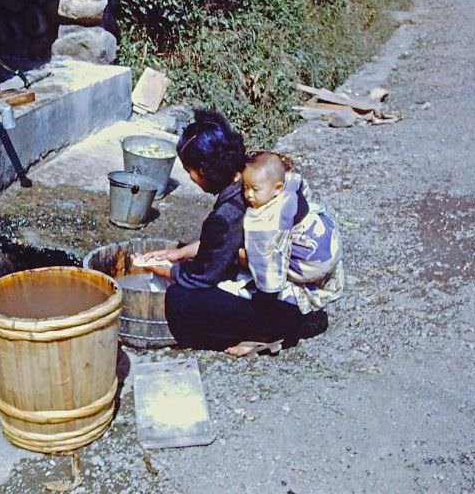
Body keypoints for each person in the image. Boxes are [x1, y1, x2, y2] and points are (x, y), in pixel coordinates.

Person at [137, 110, 333, 357]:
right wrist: (177, 253)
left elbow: (200, 277)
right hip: (306, 285)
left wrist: (162, 267)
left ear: (204, 169)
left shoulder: (228, 213)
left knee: (180, 298)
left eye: (190, 171)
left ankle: (270, 332)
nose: (191, 178)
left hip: (287, 306)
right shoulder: (255, 179)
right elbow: (222, 245)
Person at [241, 151, 344, 323]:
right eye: (245, 188)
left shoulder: (267, 223)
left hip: (310, 265)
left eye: (255, 189)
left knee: (249, 262)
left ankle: (292, 304)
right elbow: (304, 190)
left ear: (277, 188)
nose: (249, 195)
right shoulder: (291, 181)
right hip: (328, 243)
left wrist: (265, 298)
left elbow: (266, 264)